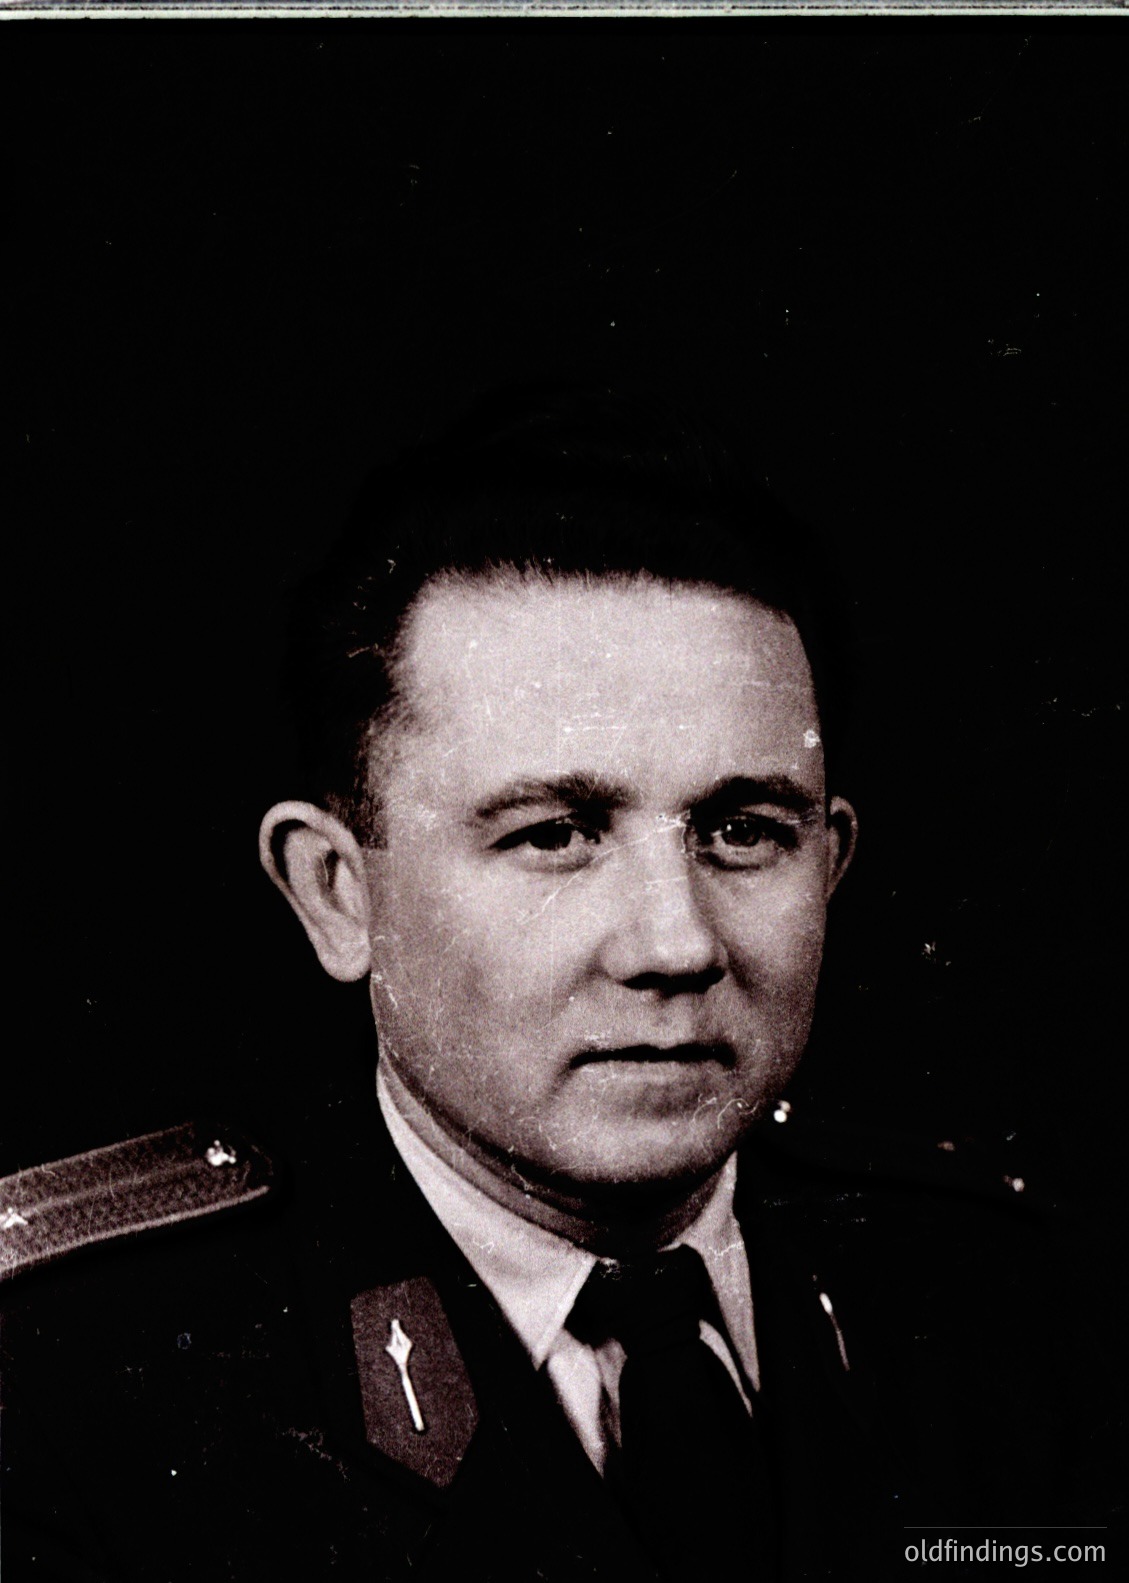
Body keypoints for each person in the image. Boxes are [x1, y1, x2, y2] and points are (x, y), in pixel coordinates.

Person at [0, 388, 1112, 1581]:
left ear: (829, 861)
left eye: (743, 829)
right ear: (337, 891)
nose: (673, 942)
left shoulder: (1010, 1305)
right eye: (553, 833)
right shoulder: (65, 1398)